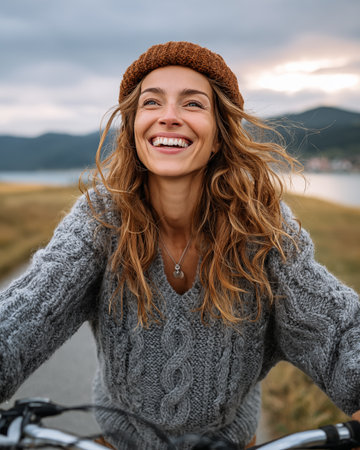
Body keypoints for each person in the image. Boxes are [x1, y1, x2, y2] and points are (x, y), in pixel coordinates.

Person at [0, 41, 359, 450]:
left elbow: (339, 330)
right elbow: (23, 318)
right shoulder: (100, 218)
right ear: (134, 128)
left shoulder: (262, 227)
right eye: (152, 103)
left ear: (220, 135)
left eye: (192, 104)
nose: (169, 117)